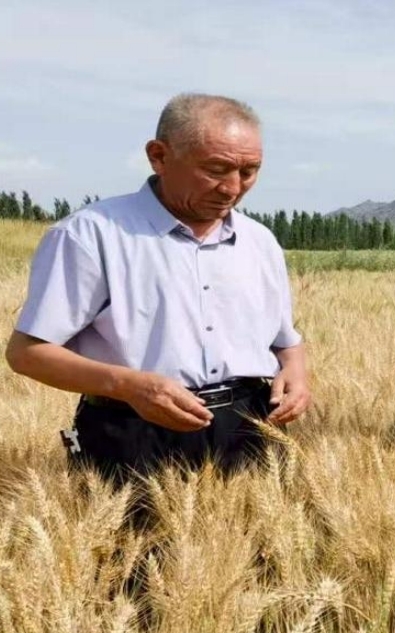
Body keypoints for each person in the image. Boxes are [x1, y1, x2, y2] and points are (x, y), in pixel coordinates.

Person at [5, 93, 311, 485]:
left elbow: (285, 341)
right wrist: (129, 386)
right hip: (132, 429)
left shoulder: (260, 241)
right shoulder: (90, 235)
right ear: (159, 156)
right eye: (216, 169)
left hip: (249, 428)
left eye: (249, 171)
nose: (233, 188)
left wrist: (296, 373)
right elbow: (27, 353)